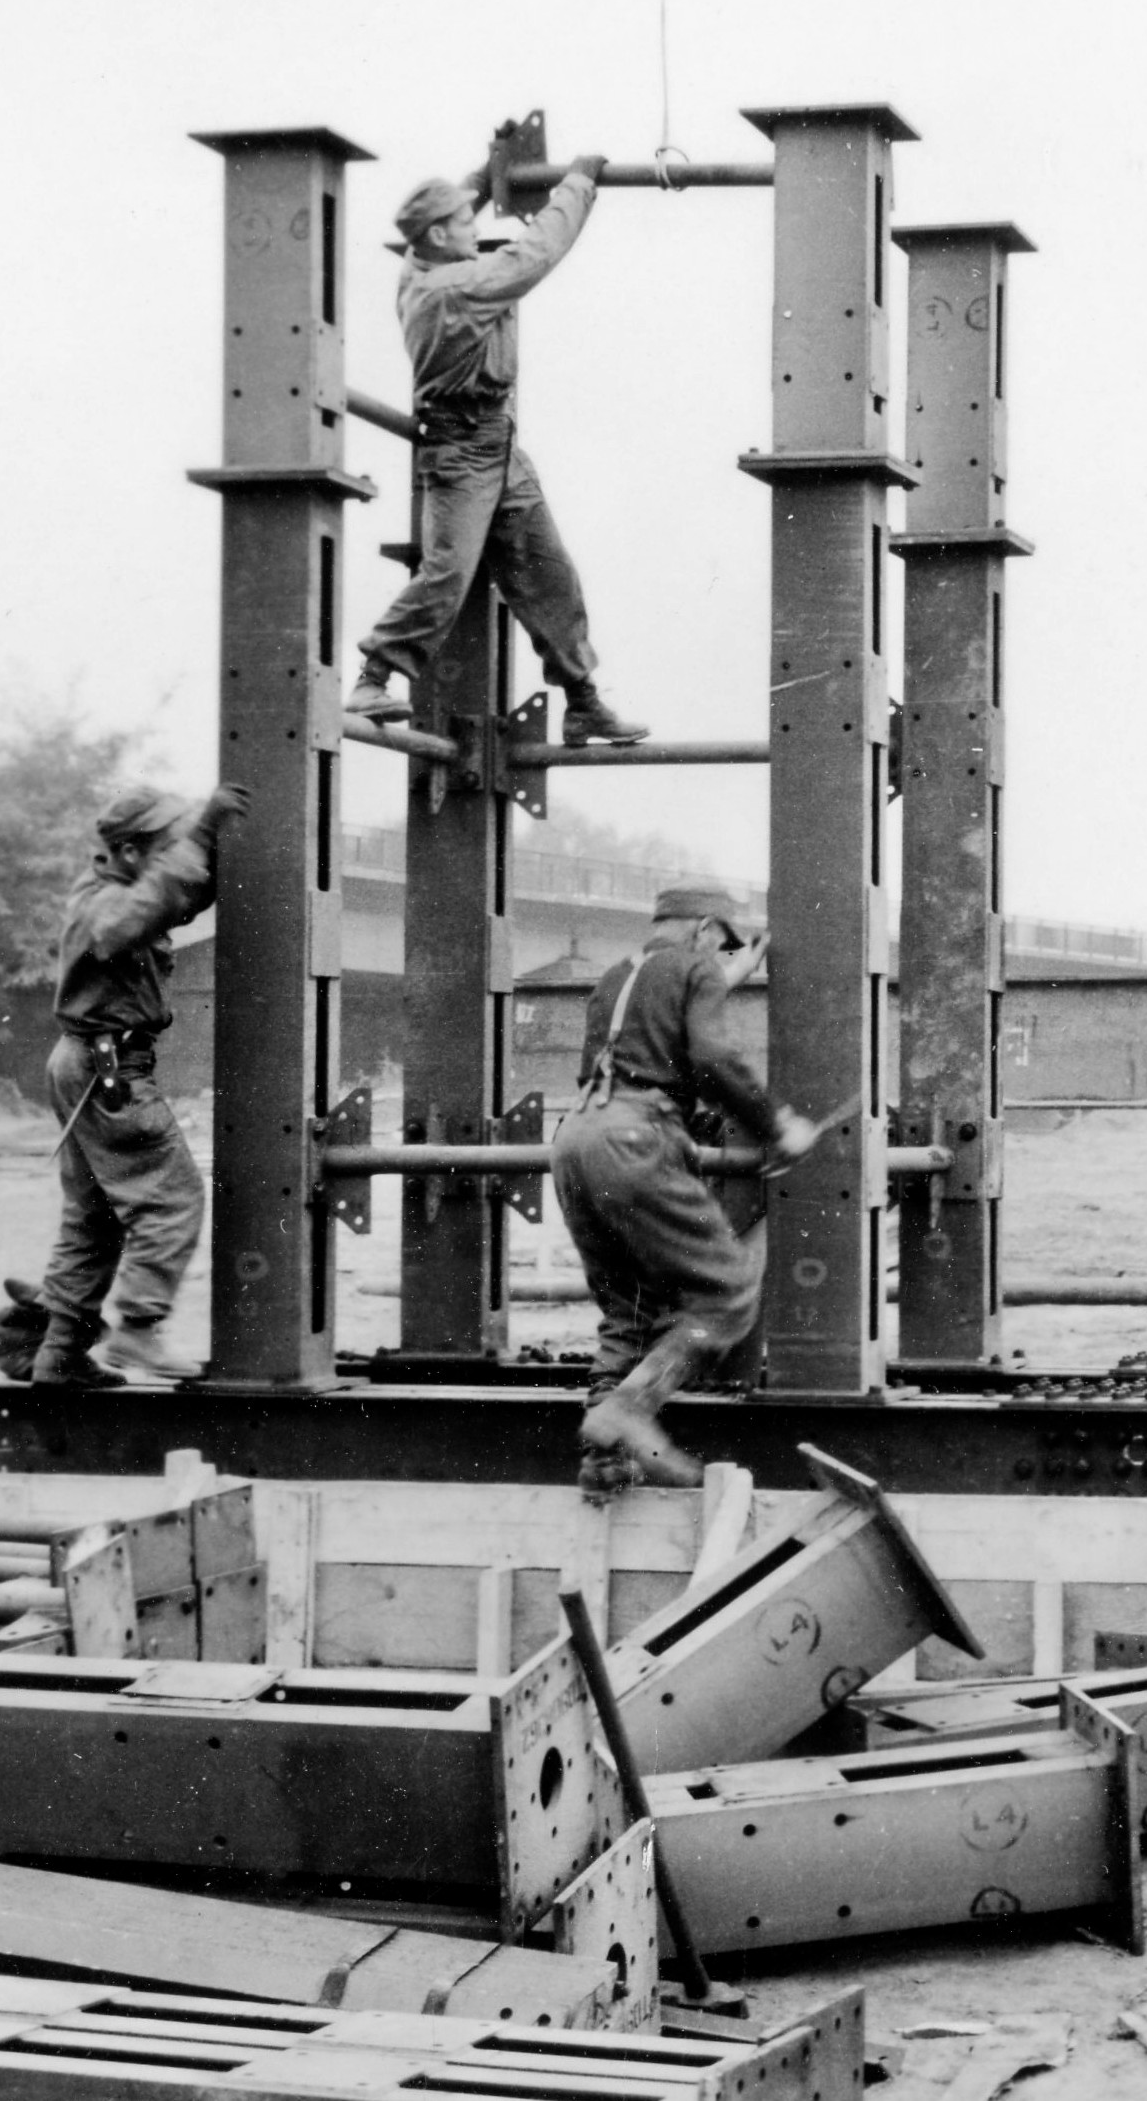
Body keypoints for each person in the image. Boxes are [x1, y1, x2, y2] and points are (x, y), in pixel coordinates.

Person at [344, 151, 649, 746]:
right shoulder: (459, 287)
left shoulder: (420, 264)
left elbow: (453, 213)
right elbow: (537, 252)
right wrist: (579, 183)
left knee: (550, 574)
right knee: (446, 575)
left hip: (496, 445)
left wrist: (483, 181)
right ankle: (372, 678)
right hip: (461, 452)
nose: (474, 228)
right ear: (439, 236)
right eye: (464, 222)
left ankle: (583, 703)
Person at [550, 886, 820, 1488]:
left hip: (575, 1138)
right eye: (722, 944)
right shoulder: (696, 969)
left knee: (627, 1303)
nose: (721, 955)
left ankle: (604, 1456)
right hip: (635, 1142)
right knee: (729, 1291)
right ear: (704, 930)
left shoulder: (617, 976)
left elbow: (653, 1020)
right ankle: (630, 1409)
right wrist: (778, 1126)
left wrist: (724, 976)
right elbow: (712, 1059)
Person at [30, 780, 249, 1387]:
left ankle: (59, 1353)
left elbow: (172, 898)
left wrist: (207, 846)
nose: (178, 853)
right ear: (130, 852)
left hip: (88, 1064)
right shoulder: (105, 903)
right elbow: (129, 920)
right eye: (167, 845)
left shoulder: (124, 886)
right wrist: (200, 837)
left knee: (95, 1214)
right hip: (107, 1072)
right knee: (172, 1199)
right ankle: (139, 1328)